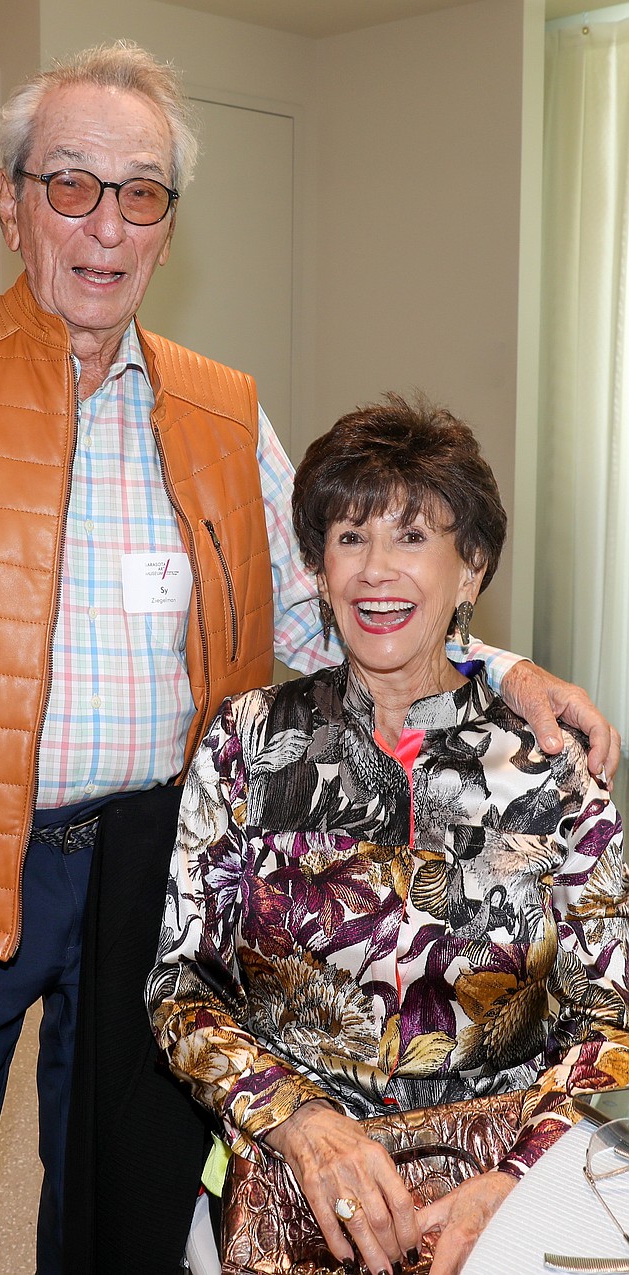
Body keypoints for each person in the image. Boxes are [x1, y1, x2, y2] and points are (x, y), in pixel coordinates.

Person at [0, 40, 618, 1275]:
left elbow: (330, 609)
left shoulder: (223, 410)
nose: (105, 226)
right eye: (71, 185)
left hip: (153, 860)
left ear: (168, 229)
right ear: (11, 202)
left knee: (116, 1205)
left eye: (140, 194)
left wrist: (496, 671)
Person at [146, 396, 629, 1275]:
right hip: (299, 1178)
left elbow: (610, 1013)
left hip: (509, 1178)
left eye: (412, 537)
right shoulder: (247, 743)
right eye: (350, 537)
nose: (376, 570)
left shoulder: (552, 764)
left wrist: (514, 1179)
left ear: (470, 567)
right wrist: (299, 1121)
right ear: (319, 567)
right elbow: (182, 988)